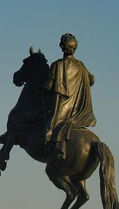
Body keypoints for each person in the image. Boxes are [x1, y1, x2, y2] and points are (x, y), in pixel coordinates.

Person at [43, 33, 97, 163]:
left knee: (47, 122)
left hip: (61, 109)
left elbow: (48, 86)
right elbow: (92, 79)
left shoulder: (57, 65)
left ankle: (52, 146)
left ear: (62, 46)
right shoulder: (81, 66)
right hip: (77, 111)